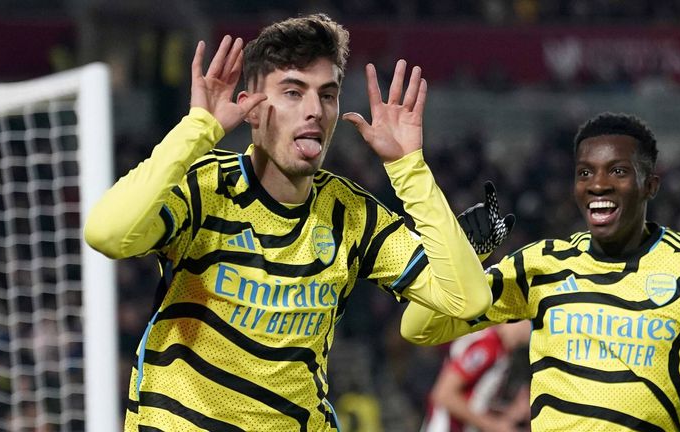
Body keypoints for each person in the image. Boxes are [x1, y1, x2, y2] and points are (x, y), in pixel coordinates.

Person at [84, 14, 494, 431]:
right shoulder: (206, 188)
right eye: (294, 93)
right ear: (252, 109)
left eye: (328, 95)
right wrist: (197, 128)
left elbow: (467, 300)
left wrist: (408, 168)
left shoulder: (350, 215)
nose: (315, 111)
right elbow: (107, 234)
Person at [402, 112, 680, 431]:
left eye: (618, 171)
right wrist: (469, 255)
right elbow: (421, 327)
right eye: (585, 172)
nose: (598, 184)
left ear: (650, 186)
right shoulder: (541, 265)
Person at [421, 320, 531, 432]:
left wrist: (510, 414)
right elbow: (444, 394)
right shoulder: (487, 347)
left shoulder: (505, 354)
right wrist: (493, 425)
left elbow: (478, 400)